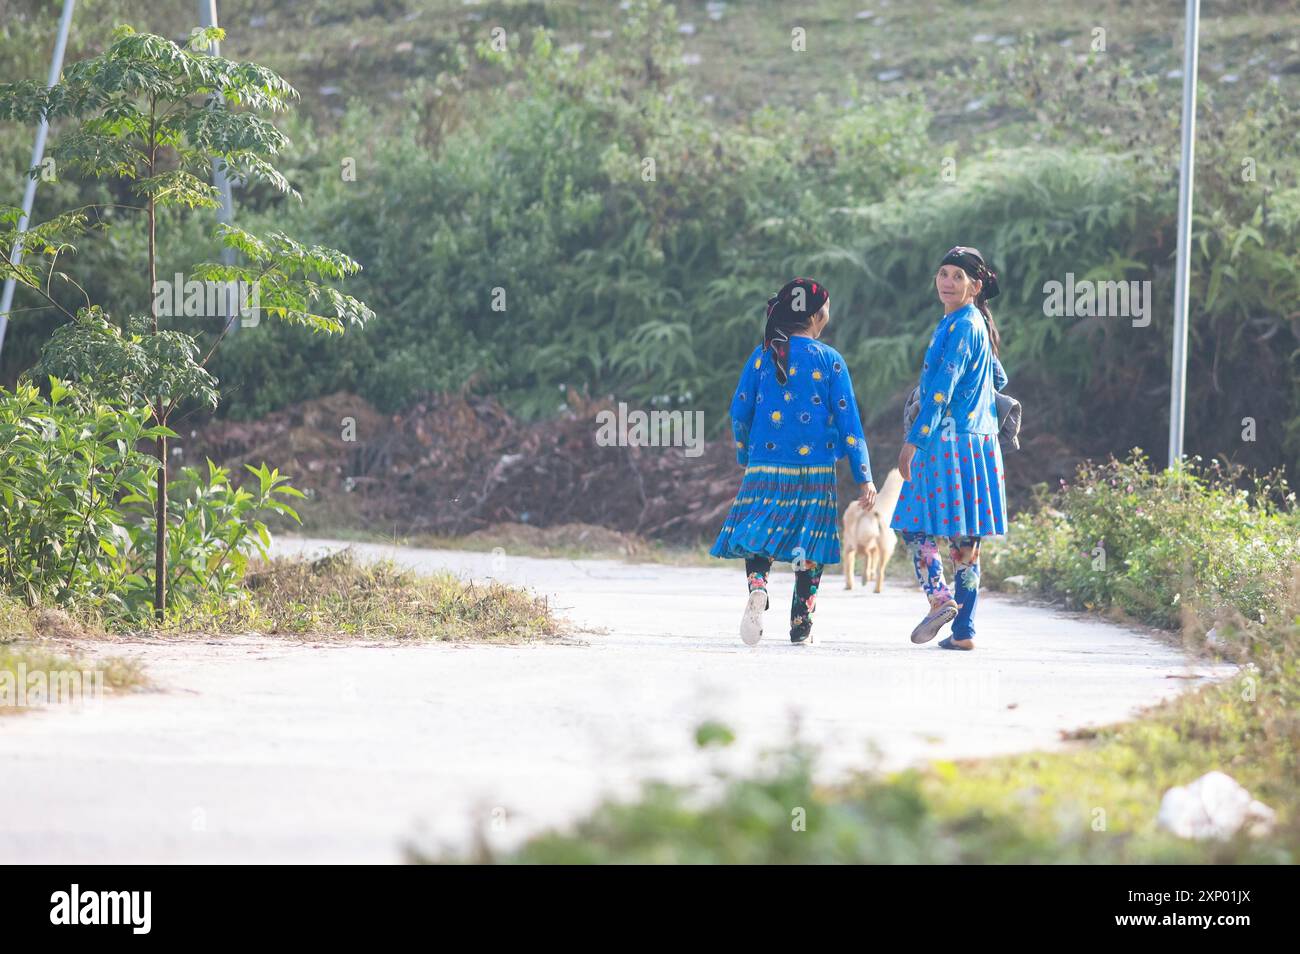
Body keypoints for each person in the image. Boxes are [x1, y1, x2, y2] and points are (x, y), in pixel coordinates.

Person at [710, 278, 877, 646]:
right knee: (808, 542)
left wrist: (744, 451)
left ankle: (759, 586)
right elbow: (850, 424)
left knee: (758, 534)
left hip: (766, 463)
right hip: (815, 470)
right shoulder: (831, 361)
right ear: (819, 316)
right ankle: (801, 623)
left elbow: (739, 410)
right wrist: (863, 475)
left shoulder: (761, 356)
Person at [891, 246, 1009, 650]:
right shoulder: (977, 322)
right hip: (981, 443)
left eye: (958, 277)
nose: (947, 282)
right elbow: (998, 377)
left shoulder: (960, 325)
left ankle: (940, 598)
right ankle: (964, 631)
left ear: (975, 286)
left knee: (913, 523)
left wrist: (914, 440)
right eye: (943, 273)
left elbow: (942, 389)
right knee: (965, 542)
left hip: (947, 441)